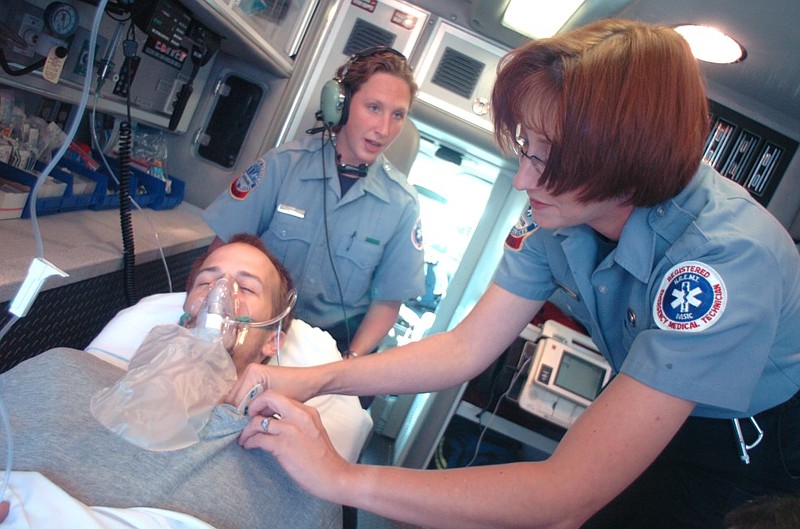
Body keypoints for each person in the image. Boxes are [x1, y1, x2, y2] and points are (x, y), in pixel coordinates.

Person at [224, 18, 800, 529]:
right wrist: (319, 378)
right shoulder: (562, 205)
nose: (524, 181)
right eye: (526, 149)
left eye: (545, 159)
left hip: (751, 445)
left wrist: (338, 479)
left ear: (622, 165)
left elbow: (561, 498)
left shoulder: (723, 262)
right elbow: (464, 347)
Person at [0, 235, 344, 529]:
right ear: (185, 314)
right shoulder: (62, 373)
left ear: (273, 340)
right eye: (207, 282)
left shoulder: (293, 470)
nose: (221, 295)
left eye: (248, 287)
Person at [202, 47, 425, 362]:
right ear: (341, 106)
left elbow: (388, 302)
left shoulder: (403, 206)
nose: (384, 129)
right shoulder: (283, 166)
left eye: (397, 114)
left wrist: (349, 362)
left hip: (327, 353)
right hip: (248, 333)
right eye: (373, 107)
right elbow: (221, 251)